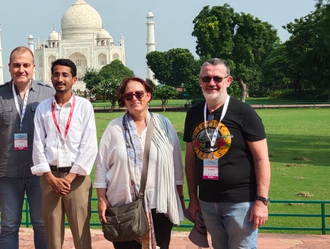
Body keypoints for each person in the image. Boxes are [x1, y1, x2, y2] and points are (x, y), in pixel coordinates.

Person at [184, 58, 271, 249]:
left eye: (217, 78)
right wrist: (193, 198)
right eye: (206, 78)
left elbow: (261, 159)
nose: (211, 83)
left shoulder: (244, 113)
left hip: (241, 202)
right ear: (200, 80)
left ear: (228, 81)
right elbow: (190, 159)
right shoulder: (194, 113)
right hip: (207, 200)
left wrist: (261, 201)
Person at [94, 77, 185, 249]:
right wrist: (101, 198)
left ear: (148, 96)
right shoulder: (114, 128)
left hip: (159, 203)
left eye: (139, 94)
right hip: (124, 205)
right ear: (123, 100)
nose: (134, 98)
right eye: (128, 96)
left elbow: (176, 163)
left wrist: (179, 196)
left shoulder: (164, 125)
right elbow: (101, 165)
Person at [0, 46, 54, 249]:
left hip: (39, 171)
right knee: (9, 225)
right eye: (17, 65)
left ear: (34, 67)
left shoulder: (47, 93)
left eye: (26, 65)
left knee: (42, 224)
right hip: (8, 172)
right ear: (9, 67)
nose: (21, 69)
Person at [31, 58, 98, 249]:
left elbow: (89, 145)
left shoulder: (84, 106)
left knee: (81, 233)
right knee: (52, 235)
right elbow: (38, 144)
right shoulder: (43, 108)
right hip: (50, 176)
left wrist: (69, 178)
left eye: (65, 75)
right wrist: (51, 178)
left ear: (74, 79)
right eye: (56, 74)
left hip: (76, 178)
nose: (60, 79)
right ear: (51, 77)